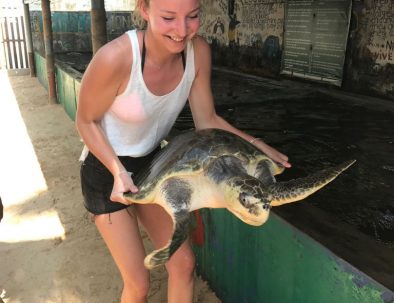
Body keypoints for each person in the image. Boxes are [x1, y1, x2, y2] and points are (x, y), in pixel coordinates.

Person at [76, 0, 291, 302]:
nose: (181, 31)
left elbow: (207, 120)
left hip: (155, 163)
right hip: (105, 169)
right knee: (138, 283)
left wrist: (255, 145)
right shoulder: (116, 58)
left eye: (192, 16)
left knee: (184, 263)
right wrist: (117, 170)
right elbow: (85, 120)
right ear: (145, 10)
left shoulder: (198, 51)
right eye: (168, 17)